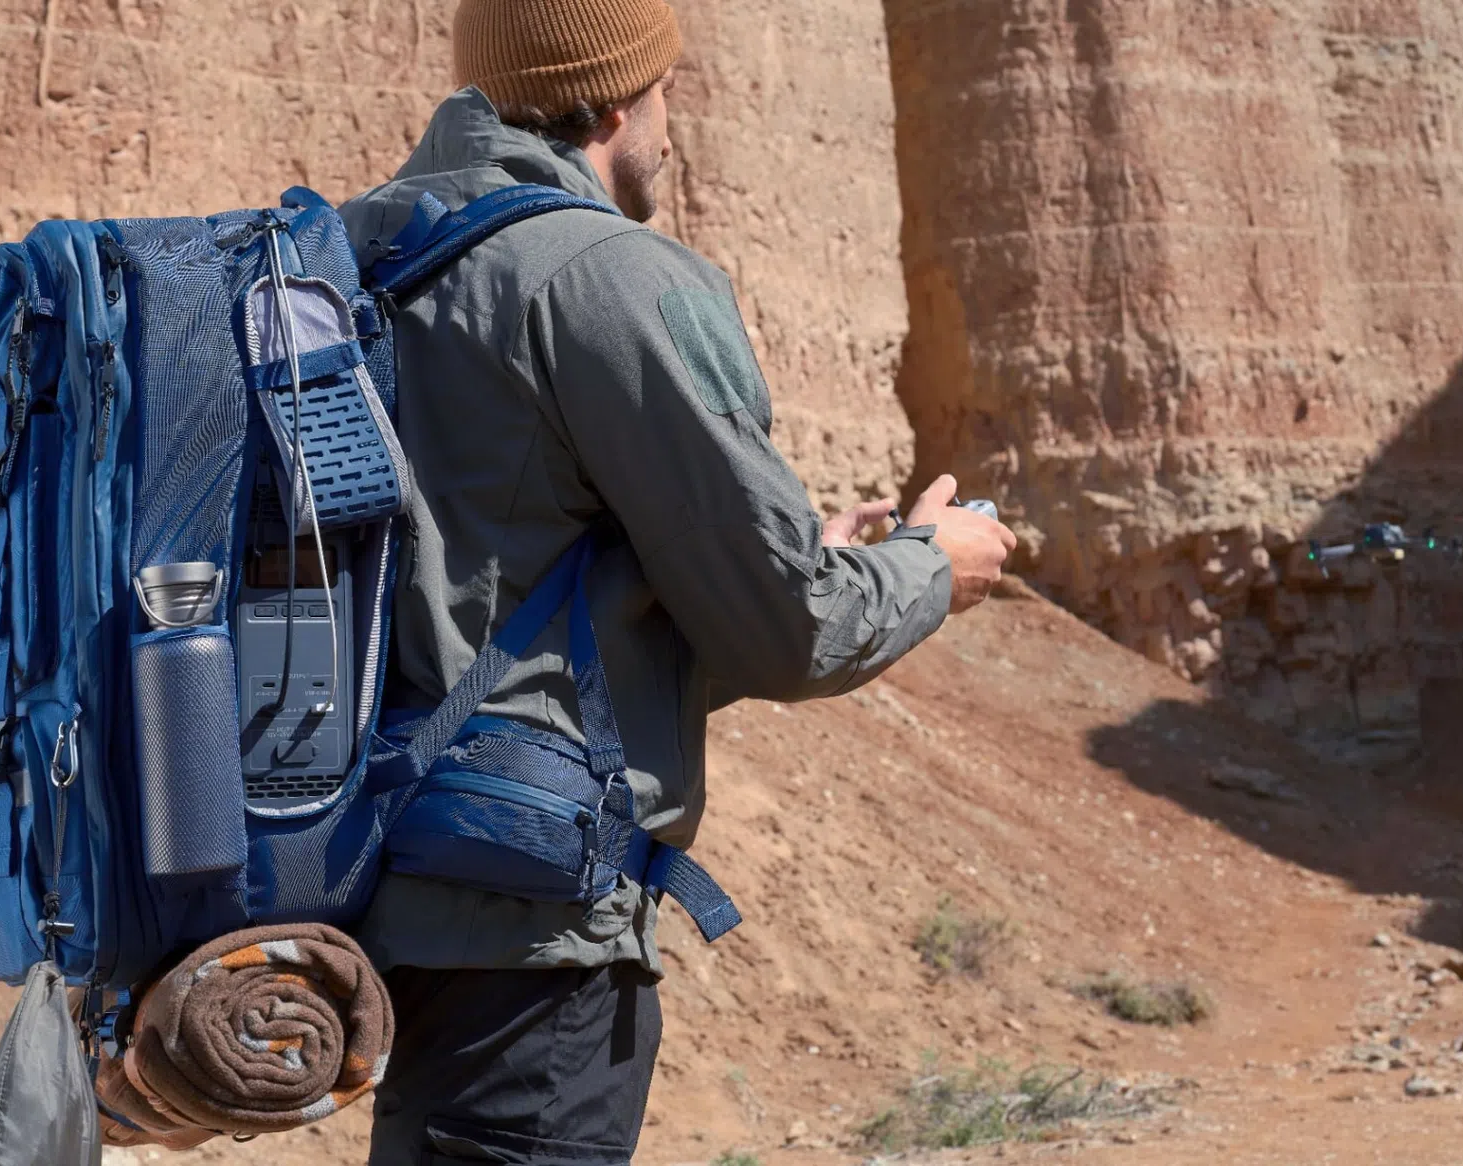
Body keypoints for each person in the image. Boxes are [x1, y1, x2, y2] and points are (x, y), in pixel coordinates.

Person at [338, 1, 1018, 1161]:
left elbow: (490, 580)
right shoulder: (608, 277)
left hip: (386, 900)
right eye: (663, 92)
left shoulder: (364, 249)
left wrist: (783, 539)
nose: (670, 125)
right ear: (610, 102)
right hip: (534, 937)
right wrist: (924, 567)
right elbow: (788, 631)